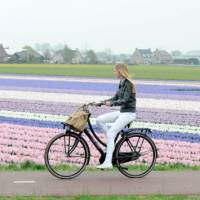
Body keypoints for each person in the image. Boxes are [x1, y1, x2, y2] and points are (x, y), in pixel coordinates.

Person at [96, 63, 136, 169]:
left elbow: (125, 100)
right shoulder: (122, 82)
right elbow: (116, 97)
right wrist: (103, 102)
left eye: (115, 70)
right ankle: (111, 141)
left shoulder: (128, 83)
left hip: (128, 114)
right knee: (99, 120)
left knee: (111, 133)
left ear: (120, 71)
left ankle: (108, 162)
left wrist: (112, 104)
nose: (114, 72)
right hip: (122, 112)